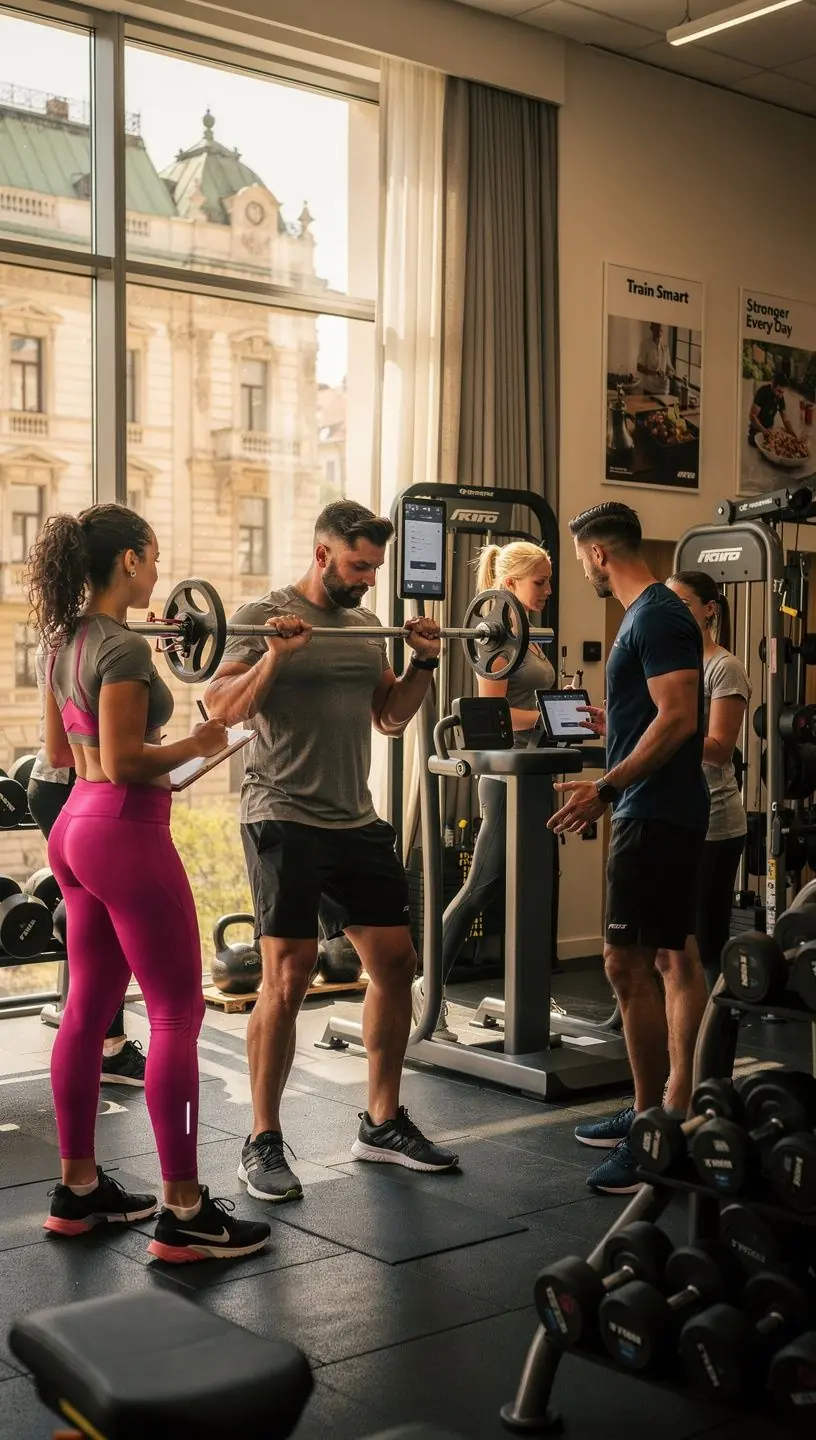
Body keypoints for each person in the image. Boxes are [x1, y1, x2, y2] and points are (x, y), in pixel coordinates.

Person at [28, 502, 270, 1262]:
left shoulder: (60, 642)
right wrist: (198, 741)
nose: (161, 574)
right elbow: (130, 762)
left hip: (74, 828)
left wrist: (180, 756)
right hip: (125, 830)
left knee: (88, 1010)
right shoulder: (125, 648)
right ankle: (187, 1211)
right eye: (154, 558)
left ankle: (78, 1191)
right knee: (175, 1016)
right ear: (128, 561)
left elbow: (62, 760)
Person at [204, 500, 459, 1202]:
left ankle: (381, 1123)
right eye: (358, 565)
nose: (369, 580)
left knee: (397, 962)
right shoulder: (265, 613)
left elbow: (390, 715)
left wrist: (423, 664)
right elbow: (221, 709)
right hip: (282, 815)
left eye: (375, 567)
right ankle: (261, 1138)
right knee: (289, 976)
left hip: (355, 818)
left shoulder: (364, 629)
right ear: (322, 554)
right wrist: (277, 658)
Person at [551, 501, 709, 1195]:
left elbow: (681, 717)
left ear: (597, 554)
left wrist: (607, 788)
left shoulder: (655, 613)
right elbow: (655, 711)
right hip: (653, 808)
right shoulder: (648, 615)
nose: (581, 568)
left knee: (624, 963)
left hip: (655, 813)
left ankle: (653, 1129)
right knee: (665, 956)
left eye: (579, 558)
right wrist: (611, 720)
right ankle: (666, 1109)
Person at [411, 540, 556, 1042]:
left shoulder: (528, 638)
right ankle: (427, 987)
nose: (548, 590)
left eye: (549, 580)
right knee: (481, 887)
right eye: (540, 582)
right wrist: (547, 716)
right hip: (503, 778)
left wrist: (570, 718)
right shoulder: (494, 640)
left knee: (535, 883)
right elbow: (489, 714)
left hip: (533, 774)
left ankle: (530, 995)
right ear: (510, 584)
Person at [28, 641, 147, 1087]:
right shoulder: (98, 642)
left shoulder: (63, 632)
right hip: (74, 784)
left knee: (86, 909)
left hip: (50, 783)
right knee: (106, 917)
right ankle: (110, 1047)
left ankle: (84, 1018)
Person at [665, 572, 750, 991]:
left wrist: (665, 728)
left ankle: (717, 1037)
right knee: (672, 941)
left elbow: (718, 748)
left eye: (682, 603)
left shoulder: (725, 667)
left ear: (708, 610)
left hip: (716, 821)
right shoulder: (672, 668)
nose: (672, 612)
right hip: (675, 813)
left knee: (706, 940)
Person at [749, 372, 797, 448]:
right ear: (773, 385)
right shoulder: (763, 392)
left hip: (769, 430)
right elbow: (752, 416)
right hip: (757, 430)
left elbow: (785, 420)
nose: (781, 396)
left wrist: (794, 436)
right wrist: (764, 431)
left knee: (785, 439)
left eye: (782, 392)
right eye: (779, 391)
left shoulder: (780, 398)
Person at [637, 322, 675, 397]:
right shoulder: (645, 345)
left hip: (663, 390)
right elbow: (639, 367)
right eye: (656, 329)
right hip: (650, 389)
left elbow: (670, 368)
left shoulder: (665, 348)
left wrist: (670, 373)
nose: (659, 332)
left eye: (660, 329)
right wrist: (654, 373)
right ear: (652, 329)